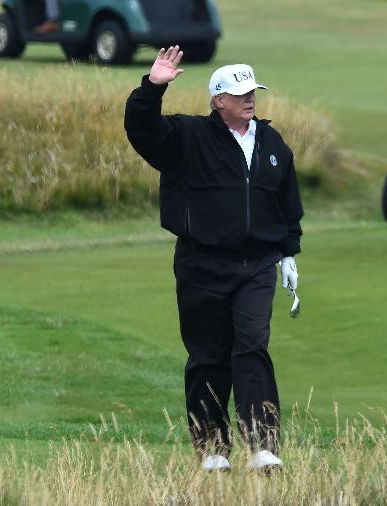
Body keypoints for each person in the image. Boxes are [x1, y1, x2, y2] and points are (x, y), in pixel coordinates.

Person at [124, 46, 303, 472]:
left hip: (256, 264)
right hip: (201, 264)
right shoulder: (187, 138)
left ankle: (262, 446)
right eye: (240, 93)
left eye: (253, 91)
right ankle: (212, 450)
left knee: (252, 347)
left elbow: (287, 203)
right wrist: (152, 88)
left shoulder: (272, 143)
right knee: (207, 355)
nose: (250, 98)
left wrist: (289, 254)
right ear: (218, 100)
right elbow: (141, 131)